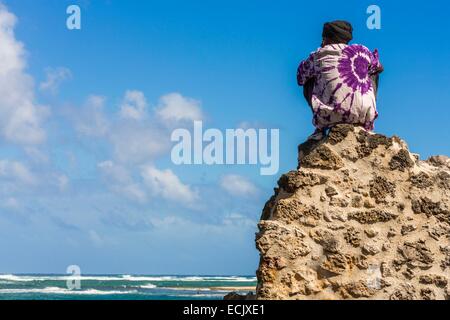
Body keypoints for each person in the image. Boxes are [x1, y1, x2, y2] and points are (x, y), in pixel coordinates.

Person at [297, 20, 384, 140]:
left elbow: (300, 78)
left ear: (325, 38)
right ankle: (366, 122)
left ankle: (320, 129)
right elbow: (380, 67)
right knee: (374, 72)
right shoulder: (362, 51)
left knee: (308, 78)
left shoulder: (318, 55)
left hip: (330, 116)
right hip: (361, 115)